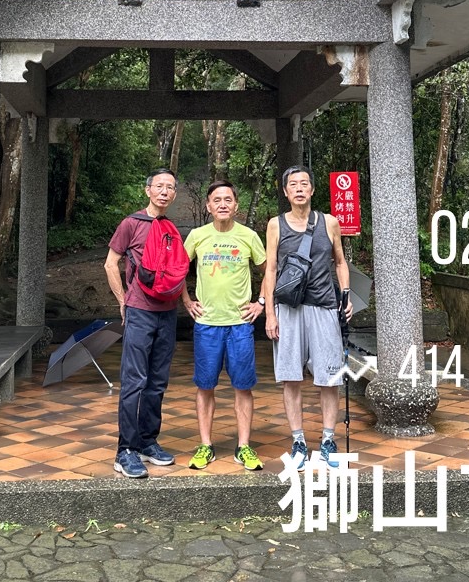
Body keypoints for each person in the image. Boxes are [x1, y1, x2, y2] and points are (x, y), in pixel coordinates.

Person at [263, 165, 352, 469]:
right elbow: (271, 269)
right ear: (285, 192)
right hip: (288, 308)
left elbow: (340, 262)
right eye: (293, 184)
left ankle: (328, 439)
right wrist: (269, 313)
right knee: (291, 377)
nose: (299, 188)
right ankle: (298, 441)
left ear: (312, 190)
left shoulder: (329, 222)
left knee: (329, 377)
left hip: (324, 306)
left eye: (304, 184)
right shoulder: (275, 225)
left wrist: (345, 295)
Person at [182, 181, 267, 471]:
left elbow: (269, 270)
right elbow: (177, 269)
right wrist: (186, 300)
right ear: (208, 206)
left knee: (243, 386)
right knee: (205, 386)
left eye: (228, 199)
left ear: (236, 205)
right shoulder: (197, 236)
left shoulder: (248, 236)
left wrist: (261, 302)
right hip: (207, 324)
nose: (222, 204)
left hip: (240, 324)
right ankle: (205, 445)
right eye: (216, 200)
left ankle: (243, 447)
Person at [103, 168, 182, 478]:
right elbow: (110, 263)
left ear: (174, 194)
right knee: (134, 379)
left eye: (170, 187)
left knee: (158, 380)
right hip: (140, 310)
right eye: (159, 186)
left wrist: (186, 301)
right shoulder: (131, 223)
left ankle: (148, 442)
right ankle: (125, 450)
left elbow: (177, 269)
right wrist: (123, 300)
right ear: (148, 190)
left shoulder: (171, 228)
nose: (164, 191)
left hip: (168, 311)